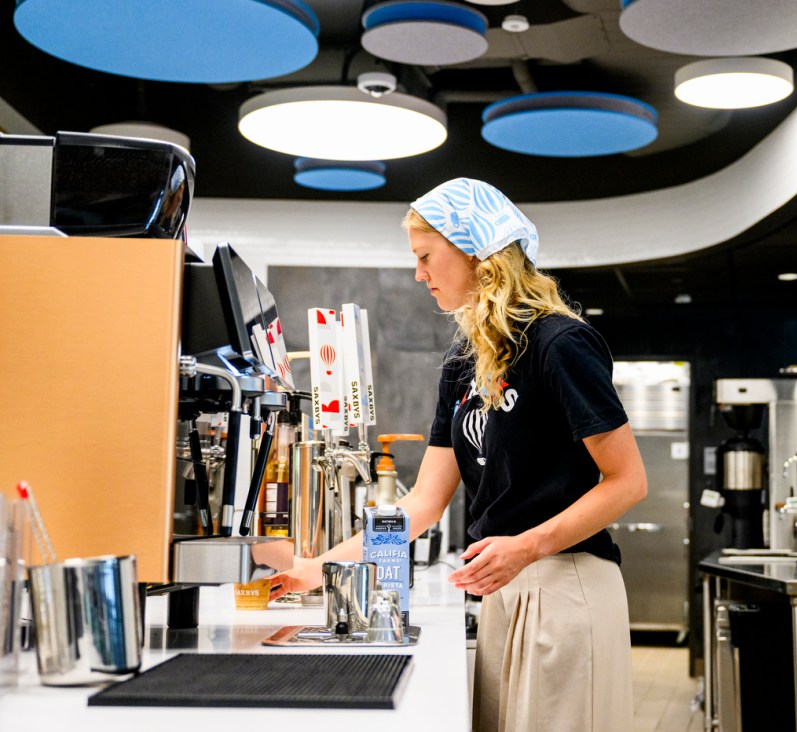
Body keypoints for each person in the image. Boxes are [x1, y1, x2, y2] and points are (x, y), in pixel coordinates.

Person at [268, 178, 647, 732]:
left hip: (566, 587)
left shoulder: (559, 343)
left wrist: (527, 545)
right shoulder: (463, 364)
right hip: (501, 588)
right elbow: (422, 502)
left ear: (475, 249)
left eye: (425, 257)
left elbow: (628, 480)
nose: (418, 274)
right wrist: (316, 569)